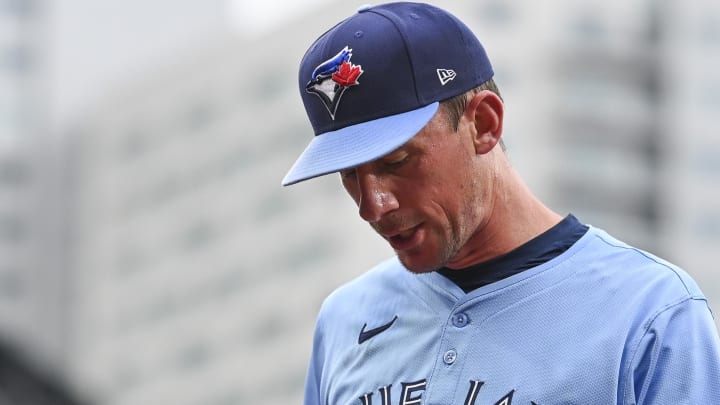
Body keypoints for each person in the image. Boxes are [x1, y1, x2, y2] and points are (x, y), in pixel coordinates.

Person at [282, 2, 720, 404]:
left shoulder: (650, 314)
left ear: (484, 124)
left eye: (396, 161)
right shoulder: (343, 319)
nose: (372, 206)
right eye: (350, 174)